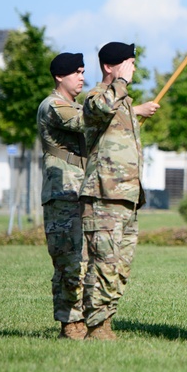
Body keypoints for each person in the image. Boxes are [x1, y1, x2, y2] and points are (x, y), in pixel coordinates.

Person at [80, 41, 159, 340]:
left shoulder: (123, 101)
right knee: (104, 263)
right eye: (127, 62)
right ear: (109, 67)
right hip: (104, 195)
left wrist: (135, 107)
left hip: (127, 196)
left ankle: (106, 320)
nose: (133, 68)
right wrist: (121, 81)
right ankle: (96, 326)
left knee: (120, 267)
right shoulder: (96, 96)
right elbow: (99, 109)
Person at [37, 51, 88, 340]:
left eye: (82, 72)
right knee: (69, 261)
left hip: (80, 189)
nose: (81, 77)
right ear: (60, 76)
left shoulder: (75, 105)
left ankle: (83, 320)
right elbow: (86, 123)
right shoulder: (54, 105)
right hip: (62, 192)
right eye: (76, 72)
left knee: (85, 260)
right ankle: (69, 323)